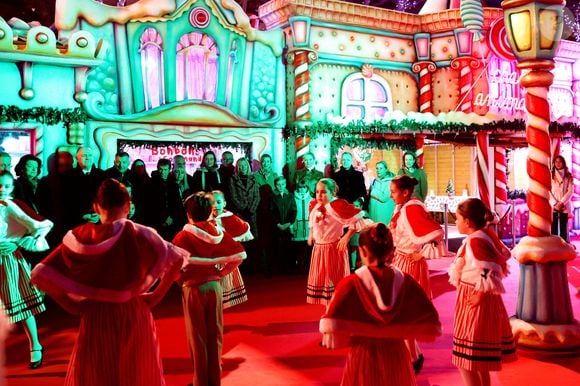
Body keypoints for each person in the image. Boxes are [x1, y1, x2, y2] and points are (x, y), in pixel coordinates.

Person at [31, 179, 186, 386]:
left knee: (98, 372)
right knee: (137, 374)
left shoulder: (82, 237)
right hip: (134, 311)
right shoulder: (141, 233)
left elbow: (41, 274)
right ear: (129, 206)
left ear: (96, 206)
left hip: (96, 314)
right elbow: (178, 259)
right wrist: (156, 295)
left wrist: (71, 304)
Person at [320, 223, 441, 386]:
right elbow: (428, 317)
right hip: (396, 355)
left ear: (362, 251)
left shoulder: (351, 284)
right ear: (392, 250)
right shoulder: (406, 282)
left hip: (363, 356)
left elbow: (333, 323)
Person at [172, 192, 245, 386]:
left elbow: (172, 263)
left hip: (193, 288)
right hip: (214, 287)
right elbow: (239, 255)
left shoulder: (183, 235)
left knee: (197, 338)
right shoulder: (217, 232)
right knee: (215, 335)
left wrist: (180, 280)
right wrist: (221, 272)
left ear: (189, 214)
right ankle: (215, 381)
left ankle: (200, 382)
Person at [449, 198, 516, 386]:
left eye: (458, 219)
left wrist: (480, 294)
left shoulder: (476, 240)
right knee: (478, 360)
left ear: (468, 222)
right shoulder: (483, 235)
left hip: (475, 296)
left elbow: (489, 268)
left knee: (466, 359)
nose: (456, 222)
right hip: (475, 295)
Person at [389, 174, 444, 373]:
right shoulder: (403, 208)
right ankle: (413, 354)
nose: (391, 196)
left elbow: (435, 233)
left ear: (405, 192)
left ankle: (412, 358)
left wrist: (420, 254)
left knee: (405, 315)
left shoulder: (411, 208)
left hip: (409, 265)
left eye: (393, 192)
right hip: (401, 261)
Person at [0, 171, 53, 369]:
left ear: (12, 187)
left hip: (9, 261)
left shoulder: (12, 206)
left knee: (21, 304)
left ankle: (35, 345)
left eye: (5, 185)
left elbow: (40, 225)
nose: (1, 189)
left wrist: (18, 243)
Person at [307, 178, 369, 305]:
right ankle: (328, 309)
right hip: (319, 248)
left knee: (333, 281)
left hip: (333, 248)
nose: (319, 195)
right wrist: (311, 235)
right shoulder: (315, 205)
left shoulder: (338, 205)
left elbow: (356, 219)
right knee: (323, 281)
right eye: (317, 191)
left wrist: (346, 238)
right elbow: (312, 222)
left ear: (332, 193)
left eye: (323, 192)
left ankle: (336, 309)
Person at [212, 190, 252, 309]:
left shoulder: (229, 217)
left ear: (224, 203)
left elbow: (242, 227)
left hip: (225, 258)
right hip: (210, 258)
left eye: (218, 202)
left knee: (223, 284)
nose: (215, 205)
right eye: (212, 203)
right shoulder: (205, 218)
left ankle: (221, 306)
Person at [270, 176, 297, 273]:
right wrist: (277, 224)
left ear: (285, 185)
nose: (280, 186)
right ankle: (278, 268)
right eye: (278, 185)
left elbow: (294, 210)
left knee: (288, 246)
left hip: (287, 225)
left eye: (282, 184)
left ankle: (289, 268)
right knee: (277, 247)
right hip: (277, 226)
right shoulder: (272, 196)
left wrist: (289, 223)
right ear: (275, 185)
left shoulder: (290, 196)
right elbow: (271, 211)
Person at [550, 155, 573, 242]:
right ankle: (554, 247)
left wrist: (561, 203)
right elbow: (548, 190)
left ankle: (565, 247)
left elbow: (570, 191)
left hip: (564, 205)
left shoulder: (568, 176)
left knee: (564, 228)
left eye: (560, 162)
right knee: (554, 228)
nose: (558, 164)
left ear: (563, 162)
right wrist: (555, 203)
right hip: (554, 206)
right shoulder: (551, 175)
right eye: (556, 162)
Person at [291, 179, 312, 274]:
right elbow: (291, 213)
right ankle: (298, 266)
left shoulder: (311, 199)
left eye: (304, 187)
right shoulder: (293, 198)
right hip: (297, 226)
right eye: (300, 187)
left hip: (308, 227)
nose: (302, 189)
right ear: (297, 188)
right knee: (297, 249)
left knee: (307, 248)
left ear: (307, 188)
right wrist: (291, 226)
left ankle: (307, 267)